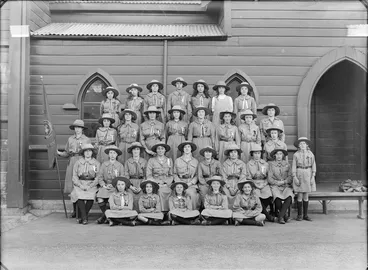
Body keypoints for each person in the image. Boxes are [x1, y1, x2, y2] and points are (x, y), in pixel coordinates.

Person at [57, 119, 90, 218]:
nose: (77, 129)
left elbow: (89, 152)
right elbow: (67, 152)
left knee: (81, 184)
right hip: (72, 161)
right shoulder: (70, 139)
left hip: (82, 162)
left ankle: (81, 211)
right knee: (73, 185)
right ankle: (75, 210)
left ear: (82, 129)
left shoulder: (86, 139)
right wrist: (59, 153)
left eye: (79, 127)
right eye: (76, 127)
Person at [72, 144, 100, 225]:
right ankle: (85, 217)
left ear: (92, 152)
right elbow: (74, 175)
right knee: (77, 195)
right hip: (80, 183)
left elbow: (98, 176)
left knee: (91, 196)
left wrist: (91, 185)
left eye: (89, 151)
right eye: (86, 151)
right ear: (83, 153)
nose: (88, 153)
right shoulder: (78, 163)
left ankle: (83, 216)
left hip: (91, 184)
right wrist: (80, 185)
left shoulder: (96, 163)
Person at [247, 144, 276, 222]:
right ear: (252, 154)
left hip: (264, 183)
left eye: (258, 153)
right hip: (254, 184)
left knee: (269, 194)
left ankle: (259, 212)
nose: (257, 155)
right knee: (256, 196)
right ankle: (267, 215)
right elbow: (248, 177)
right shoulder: (249, 164)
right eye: (255, 153)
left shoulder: (265, 164)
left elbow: (268, 176)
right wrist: (254, 184)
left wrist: (265, 183)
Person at [96, 145, 125, 224]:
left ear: (117, 155)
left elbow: (122, 178)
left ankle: (104, 217)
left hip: (116, 187)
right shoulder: (104, 165)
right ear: (108, 155)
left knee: (113, 198)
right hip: (106, 186)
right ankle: (107, 217)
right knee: (100, 198)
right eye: (110, 153)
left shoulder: (120, 166)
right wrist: (103, 185)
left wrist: (114, 185)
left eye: (114, 153)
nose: (112, 155)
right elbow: (100, 177)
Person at [292, 137, 316, 221]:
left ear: (307, 145)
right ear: (298, 145)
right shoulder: (296, 155)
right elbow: (294, 166)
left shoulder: (311, 154)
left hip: (308, 173)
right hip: (299, 173)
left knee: (306, 196)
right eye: (301, 144)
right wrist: (295, 177)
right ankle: (299, 215)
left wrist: (313, 176)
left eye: (304, 143)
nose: (302, 145)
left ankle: (305, 215)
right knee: (299, 195)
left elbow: (313, 166)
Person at [268, 149, 294, 224]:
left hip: (286, 185)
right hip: (275, 185)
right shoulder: (271, 164)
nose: (279, 156)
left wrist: (284, 181)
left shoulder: (287, 164)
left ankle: (280, 216)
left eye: (280, 154)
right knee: (277, 197)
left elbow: (290, 177)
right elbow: (269, 178)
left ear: (283, 156)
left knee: (289, 196)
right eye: (277, 154)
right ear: (274, 155)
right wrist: (277, 182)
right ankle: (284, 216)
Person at [146, 143, 174, 212]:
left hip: (166, 182)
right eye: (158, 149)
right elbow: (149, 175)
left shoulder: (169, 160)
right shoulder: (151, 160)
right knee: (159, 191)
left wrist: (166, 183)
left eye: (162, 149)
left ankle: (169, 212)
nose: (160, 150)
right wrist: (156, 183)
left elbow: (171, 175)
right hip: (155, 182)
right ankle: (161, 211)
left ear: (165, 150)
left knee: (170, 191)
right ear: (156, 150)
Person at [173, 141, 200, 210]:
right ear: (183, 149)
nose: (187, 148)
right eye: (185, 147)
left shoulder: (195, 161)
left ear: (191, 149)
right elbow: (174, 174)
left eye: (188, 147)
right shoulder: (177, 160)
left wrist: (190, 183)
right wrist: (180, 183)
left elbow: (197, 175)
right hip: (180, 183)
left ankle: (193, 213)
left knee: (192, 194)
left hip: (190, 184)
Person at [222, 144, 247, 208]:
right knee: (225, 192)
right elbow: (223, 176)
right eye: (231, 152)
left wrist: (237, 187)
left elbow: (243, 176)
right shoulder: (225, 164)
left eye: (235, 152)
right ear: (229, 154)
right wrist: (229, 187)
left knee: (241, 193)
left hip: (238, 183)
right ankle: (227, 210)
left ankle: (238, 209)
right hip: (228, 184)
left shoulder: (242, 164)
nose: (233, 154)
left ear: (238, 154)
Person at [124, 142, 147, 211]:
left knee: (143, 195)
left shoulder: (144, 161)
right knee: (130, 194)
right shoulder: (128, 162)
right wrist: (131, 186)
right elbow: (126, 175)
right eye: (134, 149)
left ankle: (141, 214)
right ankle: (132, 215)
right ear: (131, 151)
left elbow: (146, 175)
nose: (136, 151)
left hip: (142, 183)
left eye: (137, 149)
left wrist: (141, 186)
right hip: (131, 183)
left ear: (140, 151)